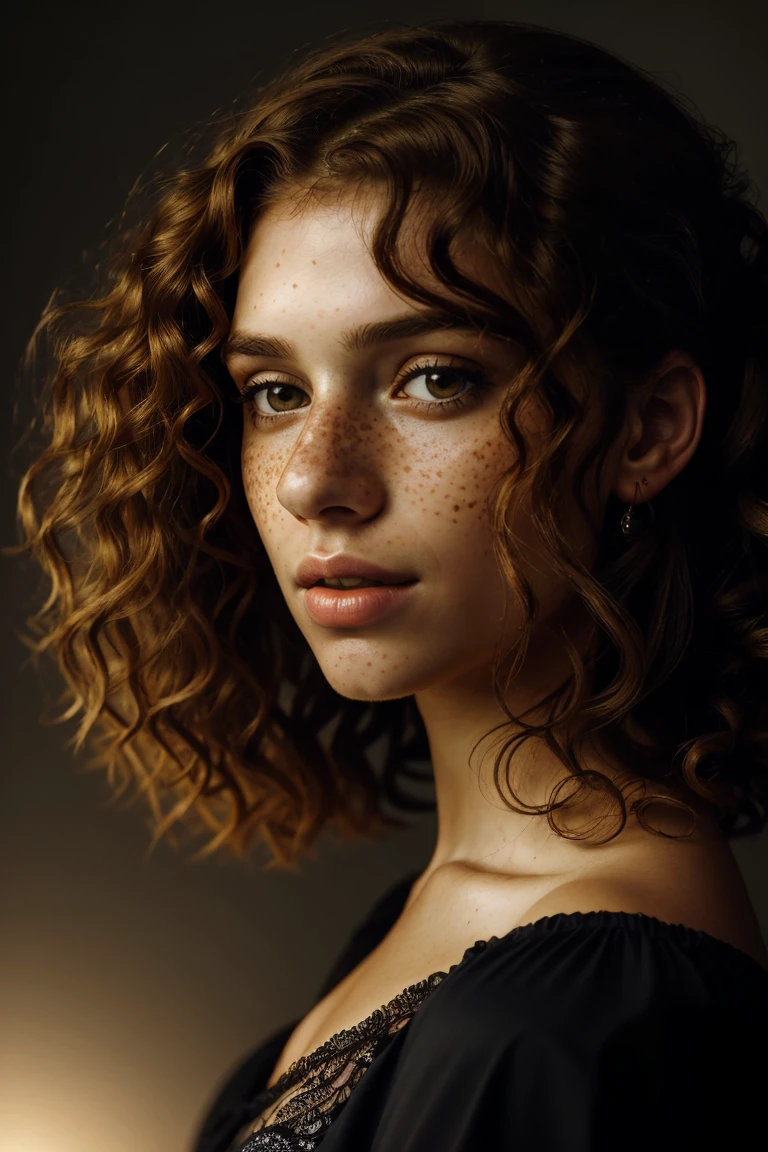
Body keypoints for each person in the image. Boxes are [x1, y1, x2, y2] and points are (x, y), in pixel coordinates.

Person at [7, 16, 768, 1152]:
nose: (319, 479)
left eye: (431, 377)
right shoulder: (447, 932)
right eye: (275, 392)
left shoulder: (574, 1016)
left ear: (647, 429)